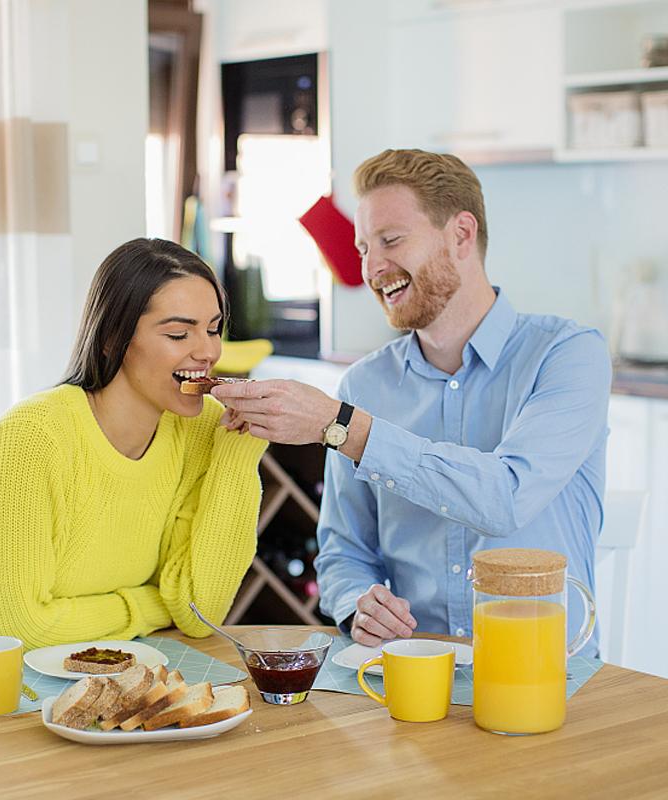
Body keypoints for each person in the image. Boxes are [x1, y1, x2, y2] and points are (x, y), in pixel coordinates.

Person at [213, 149, 610, 655]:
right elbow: (343, 553)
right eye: (363, 248)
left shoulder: (567, 355)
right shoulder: (364, 385)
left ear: (461, 235)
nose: (372, 267)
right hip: (409, 679)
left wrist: (343, 427)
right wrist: (359, 602)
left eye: (391, 240)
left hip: (547, 676)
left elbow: (507, 496)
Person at [0, 238, 267, 656]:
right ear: (114, 337)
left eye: (214, 328)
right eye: (180, 333)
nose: (208, 352)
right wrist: (150, 604)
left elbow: (200, 613)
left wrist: (238, 453)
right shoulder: (28, 439)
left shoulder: (203, 428)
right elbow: (19, 629)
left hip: (121, 668)